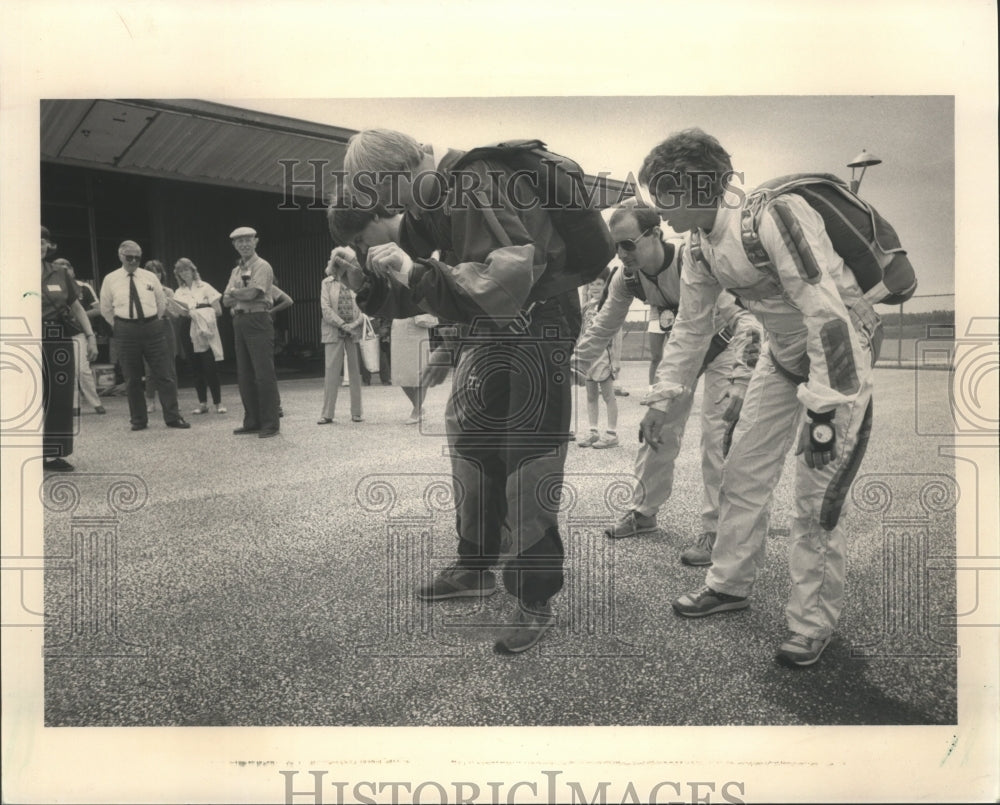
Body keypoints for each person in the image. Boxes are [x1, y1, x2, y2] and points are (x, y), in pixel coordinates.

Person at [335, 128, 591, 654]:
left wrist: (411, 270)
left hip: (539, 326)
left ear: (402, 172)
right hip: (493, 332)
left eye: (387, 192)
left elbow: (505, 280)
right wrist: (366, 280)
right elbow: (427, 284)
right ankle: (476, 565)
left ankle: (533, 597)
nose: (390, 208)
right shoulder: (432, 198)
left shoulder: (473, 181)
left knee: (529, 459)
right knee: (471, 444)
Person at [638, 128, 881, 666]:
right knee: (742, 471)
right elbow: (691, 328)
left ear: (697, 187)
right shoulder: (699, 246)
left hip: (839, 360)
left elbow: (828, 316)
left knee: (817, 496)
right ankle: (728, 585)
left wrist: (821, 414)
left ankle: (811, 623)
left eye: (664, 193)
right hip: (781, 355)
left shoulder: (775, 217)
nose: (658, 208)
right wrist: (663, 398)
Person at [573, 204, 760, 565]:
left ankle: (715, 531)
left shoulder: (692, 260)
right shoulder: (626, 278)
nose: (622, 254)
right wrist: (574, 365)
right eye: (616, 247)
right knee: (657, 431)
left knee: (716, 438)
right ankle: (643, 512)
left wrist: (744, 371)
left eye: (628, 244)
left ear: (655, 234)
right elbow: (605, 326)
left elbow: (741, 318)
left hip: (723, 346)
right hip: (682, 352)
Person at [328, 205, 439, 424]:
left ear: (375, 215)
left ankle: (419, 408)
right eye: (355, 245)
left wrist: (409, 269)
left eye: (360, 239)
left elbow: (463, 286)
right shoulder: (392, 250)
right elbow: (408, 303)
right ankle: (418, 407)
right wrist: (362, 286)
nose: (362, 249)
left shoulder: (432, 227)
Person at [98, 241, 189, 431]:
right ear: (120, 256)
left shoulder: (149, 277)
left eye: (137, 258)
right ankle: (138, 420)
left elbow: (160, 302)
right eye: (128, 257)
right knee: (132, 377)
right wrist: (119, 324)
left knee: (164, 374)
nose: (133, 261)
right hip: (125, 329)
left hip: (152, 327)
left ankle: (173, 417)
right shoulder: (110, 279)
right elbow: (105, 307)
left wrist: (153, 321)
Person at [40, 228, 99, 470]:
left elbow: (77, 309)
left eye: (43, 241)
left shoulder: (60, 273)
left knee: (59, 397)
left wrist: (91, 336)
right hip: (26, 335)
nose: (39, 246)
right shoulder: (11, 267)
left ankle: (52, 455)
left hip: (57, 337)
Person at [222, 226, 280, 438]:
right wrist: (239, 295)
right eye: (239, 241)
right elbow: (224, 299)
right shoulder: (236, 270)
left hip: (257, 319)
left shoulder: (262, 266)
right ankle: (252, 420)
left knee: (263, 373)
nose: (244, 244)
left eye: (248, 240)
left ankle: (270, 423)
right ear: (234, 245)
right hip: (239, 319)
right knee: (245, 373)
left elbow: (256, 292)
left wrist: (235, 293)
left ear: (256, 241)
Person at [173, 257, 227, 414]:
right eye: (181, 271)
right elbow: (180, 314)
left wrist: (201, 313)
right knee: (195, 366)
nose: (184, 273)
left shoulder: (205, 287)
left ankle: (218, 403)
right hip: (187, 327)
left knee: (210, 366)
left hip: (205, 328)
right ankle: (202, 403)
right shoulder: (179, 292)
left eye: (186, 269)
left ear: (193, 270)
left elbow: (218, 311)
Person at [52, 257, 105, 415]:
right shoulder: (50, 287)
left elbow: (99, 309)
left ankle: (96, 402)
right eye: (60, 266)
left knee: (83, 369)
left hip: (78, 331)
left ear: (73, 270)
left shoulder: (84, 287)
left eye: (68, 266)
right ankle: (74, 404)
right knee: (67, 370)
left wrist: (77, 316)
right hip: (58, 333)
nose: (65, 269)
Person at [575, 274, 620, 449]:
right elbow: (581, 330)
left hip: (603, 354)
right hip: (588, 355)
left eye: (599, 284)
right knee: (591, 395)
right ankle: (593, 431)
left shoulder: (610, 305)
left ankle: (612, 433)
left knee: (608, 395)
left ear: (605, 286)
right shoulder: (586, 306)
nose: (594, 287)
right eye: (592, 284)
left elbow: (617, 332)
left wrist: (616, 359)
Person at [317, 261, 364, 424]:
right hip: (333, 330)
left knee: (355, 373)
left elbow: (364, 306)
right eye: (339, 264)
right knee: (331, 372)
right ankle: (327, 414)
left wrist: (354, 325)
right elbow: (325, 308)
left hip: (353, 330)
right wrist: (342, 324)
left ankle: (357, 412)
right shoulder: (327, 283)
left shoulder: (357, 283)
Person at [142, 259, 183, 413]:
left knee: (170, 365)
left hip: (165, 326)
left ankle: (173, 399)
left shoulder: (169, 291)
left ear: (161, 274)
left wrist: (166, 307)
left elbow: (176, 315)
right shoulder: (142, 290)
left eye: (158, 271)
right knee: (150, 367)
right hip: (149, 327)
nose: (155, 275)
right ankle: (150, 401)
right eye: (152, 271)